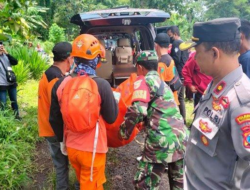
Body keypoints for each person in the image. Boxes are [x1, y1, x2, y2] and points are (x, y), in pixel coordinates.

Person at [179, 17, 250, 189]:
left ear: (214, 53)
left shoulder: (242, 100)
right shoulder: (216, 85)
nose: (194, 58)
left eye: (197, 51)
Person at [49, 34, 118, 190]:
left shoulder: (62, 83)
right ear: (97, 60)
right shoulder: (101, 85)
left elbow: (54, 118)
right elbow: (111, 117)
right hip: (93, 150)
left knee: (82, 180)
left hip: (72, 147)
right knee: (92, 185)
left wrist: (62, 141)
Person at [119, 50, 188, 190]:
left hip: (161, 142)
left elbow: (138, 110)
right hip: (181, 139)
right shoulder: (163, 84)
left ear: (139, 67)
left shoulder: (144, 81)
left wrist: (123, 132)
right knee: (179, 184)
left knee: (144, 185)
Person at [38, 42, 75, 190]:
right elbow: (59, 109)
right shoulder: (55, 79)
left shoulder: (51, 72)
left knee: (61, 163)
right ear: (69, 58)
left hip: (49, 126)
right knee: (61, 164)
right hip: (54, 130)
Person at [167, 26, 189, 124]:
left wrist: (168, 58)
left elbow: (176, 59)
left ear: (174, 34)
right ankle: (183, 120)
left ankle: (175, 122)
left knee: (174, 98)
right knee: (181, 98)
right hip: (183, 74)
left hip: (178, 75)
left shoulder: (176, 43)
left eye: (170, 35)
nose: (169, 37)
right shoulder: (184, 43)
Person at [154, 33, 180, 105]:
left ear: (156, 46)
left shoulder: (161, 64)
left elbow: (159, 86)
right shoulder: (170, 59)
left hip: (166, 102)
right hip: (173, 98)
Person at [0, 42, 21, 120]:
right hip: (1, 83)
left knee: (14, 100)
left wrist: (6, 53)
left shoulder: (6, 56)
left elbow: (15, 62)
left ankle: (17, 116)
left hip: (11, 82)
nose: (1, 47)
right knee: (3, 103)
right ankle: (4, 119)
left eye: (1, 46)